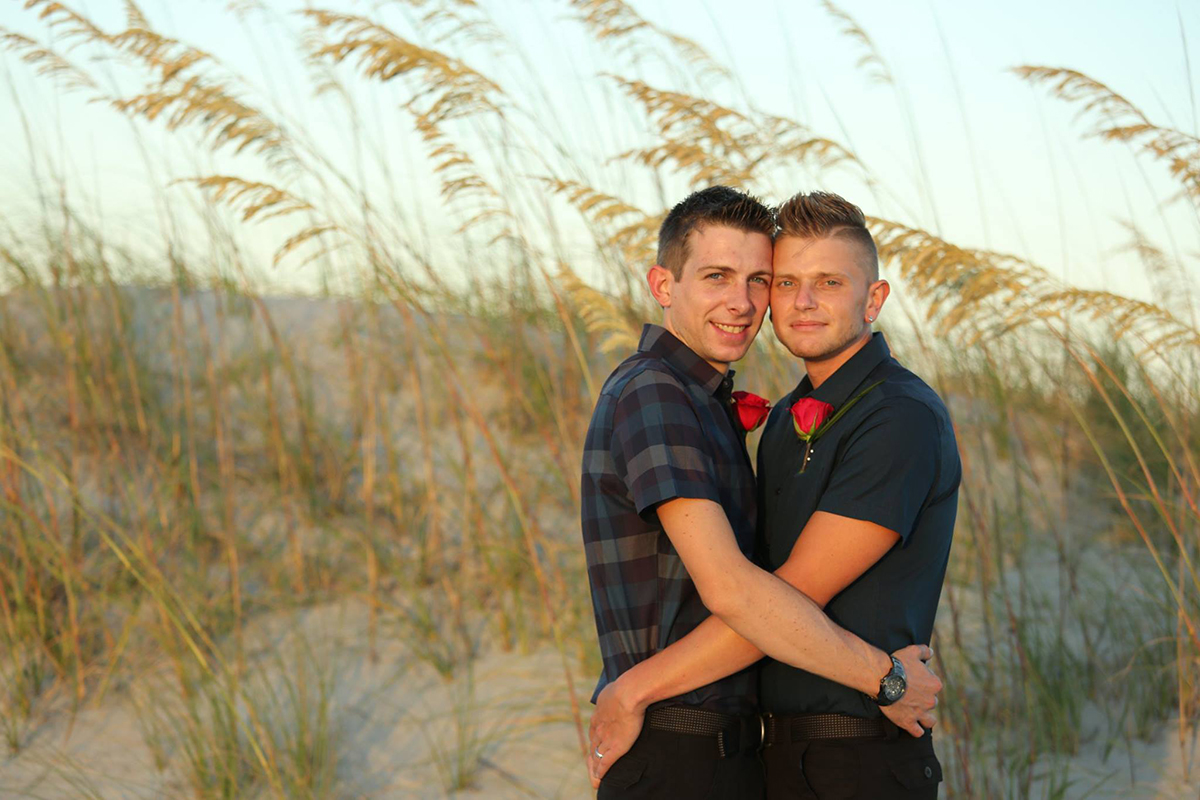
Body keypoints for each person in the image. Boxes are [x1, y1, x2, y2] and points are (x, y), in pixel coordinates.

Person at [581, 186, 942, 799]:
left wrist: (634, 688)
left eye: (757, 280)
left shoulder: (891, 414)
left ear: (873, 298)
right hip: (690, 745)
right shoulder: (660, 393)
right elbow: (740, 593)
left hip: (826, 755)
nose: (745, 302)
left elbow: (779, 591)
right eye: (718, 276)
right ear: (663, 286)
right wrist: (886, 677)